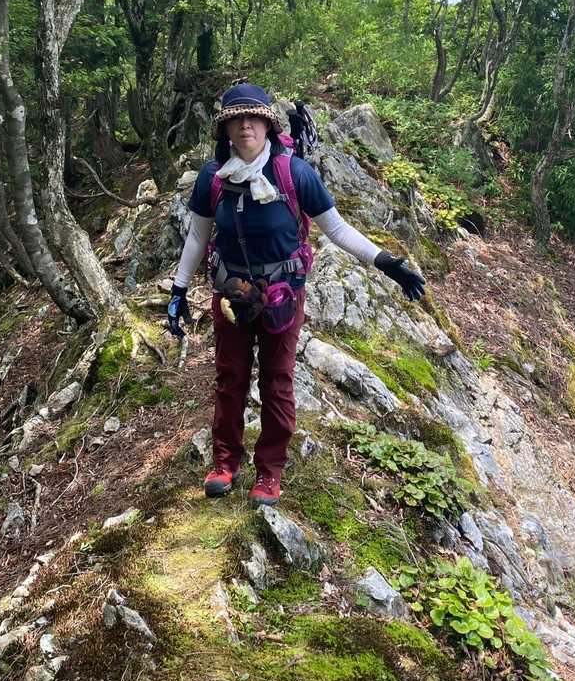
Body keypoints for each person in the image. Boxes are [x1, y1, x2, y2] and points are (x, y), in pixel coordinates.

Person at [167, 81, 426, 508]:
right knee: (230, 379)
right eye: (236, 119)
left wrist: (385, 261)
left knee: (277, 381)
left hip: (282, 296)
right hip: (231, 295)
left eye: (254, 118)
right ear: (225, 129)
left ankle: (270, 470)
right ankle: (225, 462)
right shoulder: (213, 178)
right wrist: (178, 290)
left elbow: (336, 228)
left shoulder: (294, 174)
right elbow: (197, 237)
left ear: (268, 125)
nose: (245, 126)